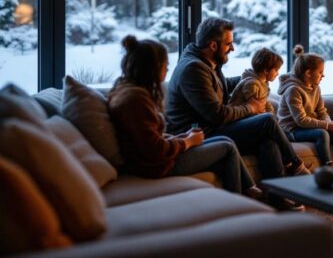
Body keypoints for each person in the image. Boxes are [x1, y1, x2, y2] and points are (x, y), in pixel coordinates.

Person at [164, 17, 309, 209]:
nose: (232, 48)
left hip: (213, 127)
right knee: (266, 121)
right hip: (200, 133)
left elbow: (219, 87)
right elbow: (218, 114)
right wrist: (251, 108)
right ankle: (297, 165)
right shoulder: (193, 68)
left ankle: (277, 197)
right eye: (229, 44)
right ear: (213, 45)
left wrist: (252, 77)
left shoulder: (205, 61)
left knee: (268, 141)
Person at [108, 35, 262, 200]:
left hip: (154, 159)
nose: (167, 70)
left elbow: (149, 137)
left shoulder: (128, 91)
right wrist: (187, 142)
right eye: (165, 65)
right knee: (227, 147)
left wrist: (183, 137)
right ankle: (239, 203)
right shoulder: (135, 100)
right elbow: (155, 150)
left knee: (225, 142)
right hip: (155, 166)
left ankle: (247, 192)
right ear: (152, 67)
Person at [277, 45, 333, 166]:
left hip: (307, 126)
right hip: (291, 130)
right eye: (320, 72)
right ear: (308, 73)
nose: (323, 75)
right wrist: (327, 125)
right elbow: (301, 120)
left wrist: (331, 124)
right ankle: (327, 167)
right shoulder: (293, 90)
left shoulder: (315, 88)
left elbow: (322, 111)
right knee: (322, 133)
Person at [229, 48, 282, 113]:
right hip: (239, 117)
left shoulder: (263, 81)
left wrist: (271, 112)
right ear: (266, 71)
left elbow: (263, 102)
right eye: (276, 70)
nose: (277, 74)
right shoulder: (252, 85)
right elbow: (255, 109)